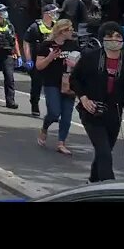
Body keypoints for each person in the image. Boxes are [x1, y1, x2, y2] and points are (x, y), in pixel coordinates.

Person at [70, 21, 124, 183]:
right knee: (104, 151)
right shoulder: (91, 57)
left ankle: (93, 182)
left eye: (118, 36)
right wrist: (83, 97)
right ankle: (110, 186)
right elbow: (74, 79)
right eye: (109, 36)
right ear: (102, 39)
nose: (114, 40)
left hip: (114, 113)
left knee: (104, 152)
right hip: (92, 111)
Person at [36, 19, 80, 156]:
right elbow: (39, 66)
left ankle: (61, 143)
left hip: (69, 83)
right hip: (52, 83)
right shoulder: (47, 45)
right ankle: (44, 128)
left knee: (67, 115)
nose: (72, 31)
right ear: (62, 31)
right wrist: (50, 58)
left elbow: (80, 61)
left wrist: (75, 64)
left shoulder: (72, 44)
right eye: (70, 29)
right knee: (55, 112)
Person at [22, 4, 58, 117]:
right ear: (47, 14)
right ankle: (34, 104)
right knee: (37, 84)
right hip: (38, 60)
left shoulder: (57, 27)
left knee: (52, 86)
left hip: (53, 60)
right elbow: (26, 41)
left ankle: (53, 110)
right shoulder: (35, 27)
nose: (56, 15)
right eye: (54, 12)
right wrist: (28, 59)